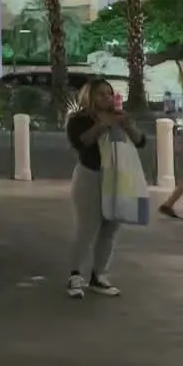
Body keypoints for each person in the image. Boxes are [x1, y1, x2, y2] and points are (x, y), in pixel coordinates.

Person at [65, 78, 146, 299]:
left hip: (117, 178)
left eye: (109, 94)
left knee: (110, 229)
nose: (106, 98)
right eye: (100, 94)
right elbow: (80, 143)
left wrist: (128, 125)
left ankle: (99, 275)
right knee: (87, 228)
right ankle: (75, 275)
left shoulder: (121, 117)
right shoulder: (79, 119)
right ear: (89, 96)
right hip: (90, 176)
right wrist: (102, 125)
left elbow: (140, 141)